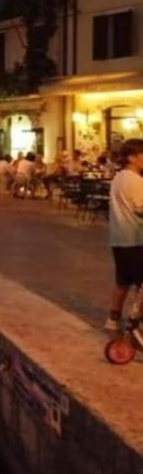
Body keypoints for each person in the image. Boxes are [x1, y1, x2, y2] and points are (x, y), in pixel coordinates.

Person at [107, 139, 143, 332]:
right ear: (132, 157)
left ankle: (113, 318)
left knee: (123, 281)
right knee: (141, 285)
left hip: (119, 237)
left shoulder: (118, 178)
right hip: (136, 237)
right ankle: (135, 321)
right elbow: (140, 208)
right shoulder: (136, 180)